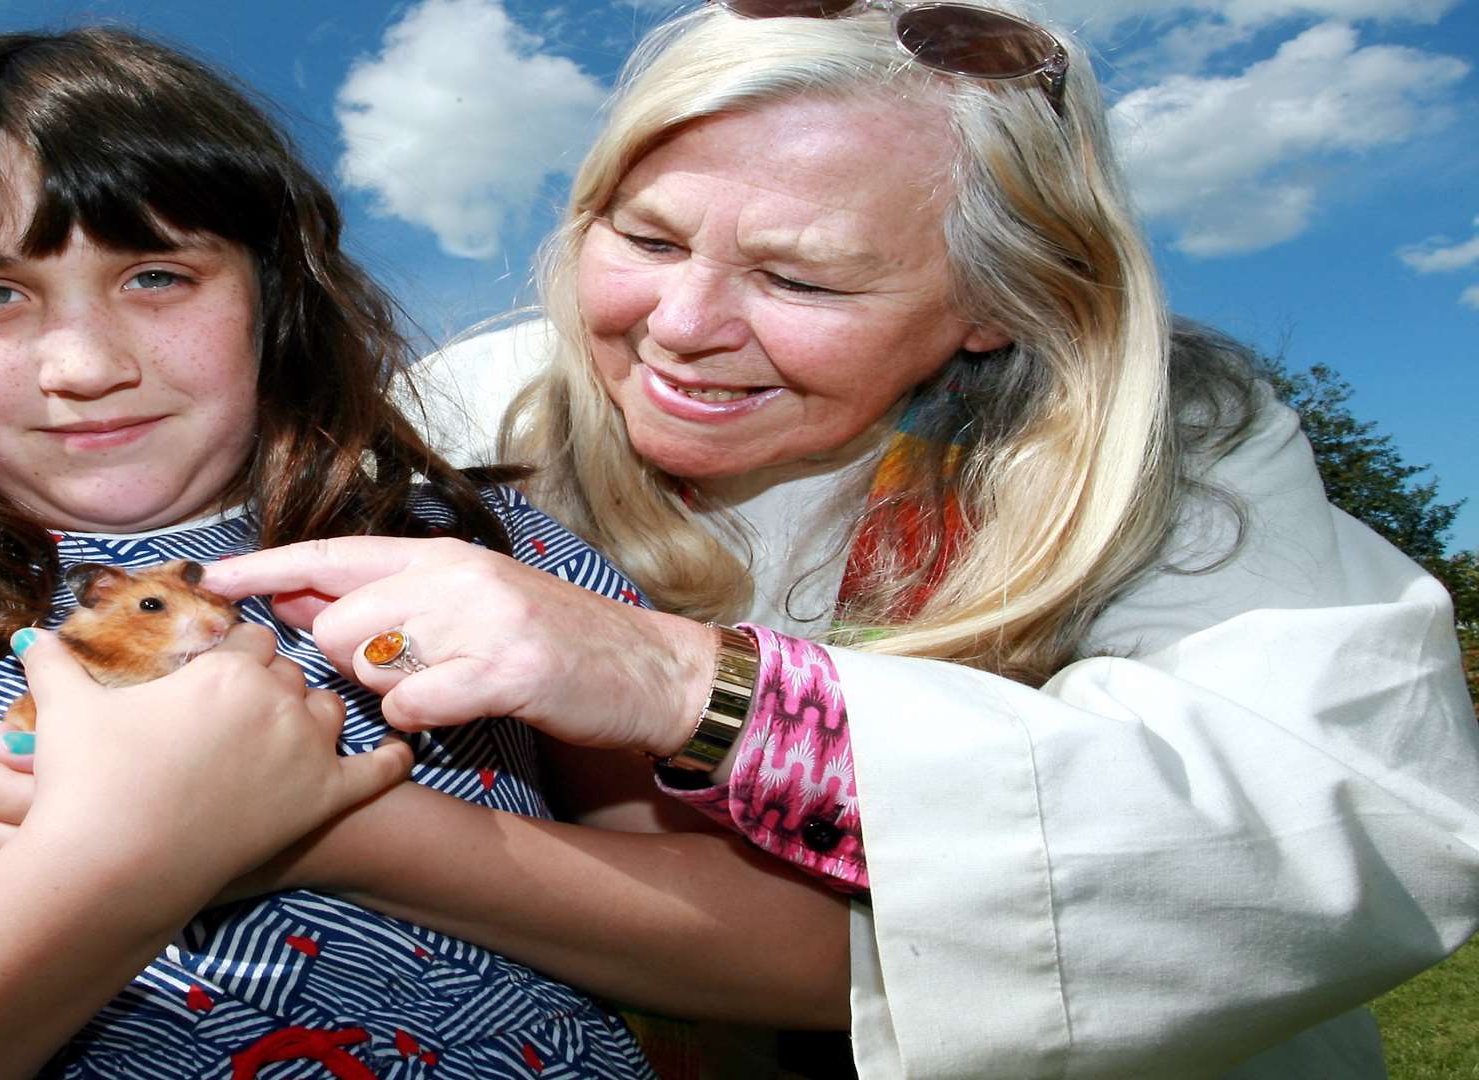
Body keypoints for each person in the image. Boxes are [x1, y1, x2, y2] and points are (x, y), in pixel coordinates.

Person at [113, 3, 1476, 1077]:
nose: (682, 326)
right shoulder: (470, 415)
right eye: (642, 237)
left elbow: (1331, 826)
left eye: (800, 277)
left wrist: (681, 683)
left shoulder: (1174, 451)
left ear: (999, 303)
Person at [0, 26, 855, 1078]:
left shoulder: (483, 548)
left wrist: (333, 831)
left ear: (273, 290)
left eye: (157, 278)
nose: (85, 367)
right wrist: (124, 862)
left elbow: (823, 962)